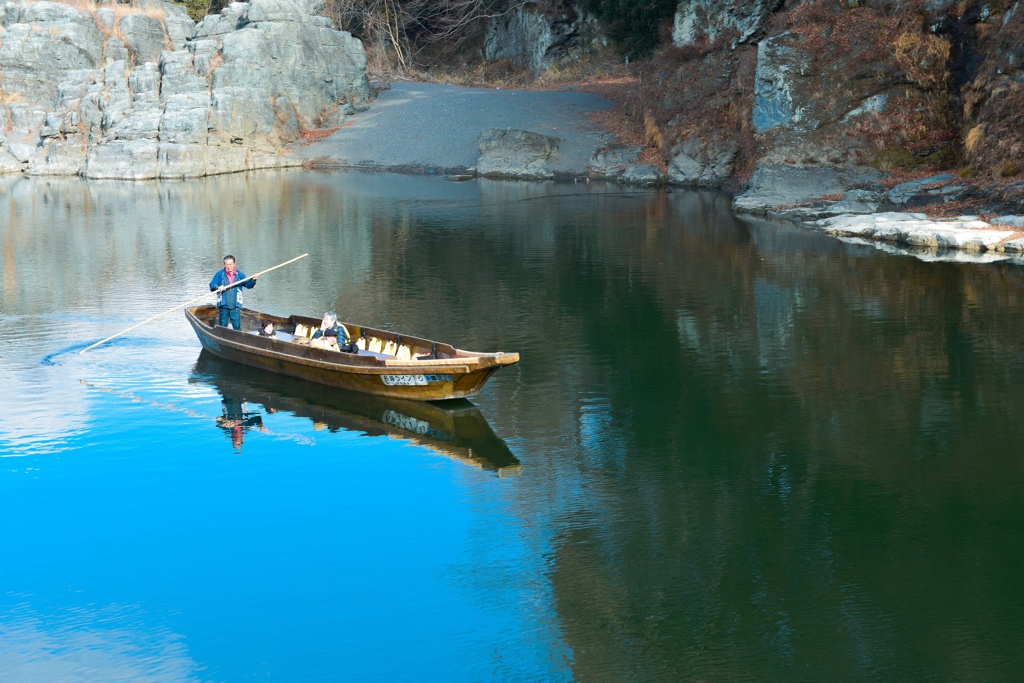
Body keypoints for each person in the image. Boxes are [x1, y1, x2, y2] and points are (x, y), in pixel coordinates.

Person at [209, 255, 258, 330]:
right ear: (224, 264)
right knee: (222, 328)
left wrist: (253, 280)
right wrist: (217, 287)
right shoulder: (219, 274)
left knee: (237, 327)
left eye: (230, 264)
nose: (228, 266)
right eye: (227, 264)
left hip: (235, 306)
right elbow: (212, 285)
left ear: (234, 264)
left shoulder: (240, 275)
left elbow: (249, 285)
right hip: (223, 306)